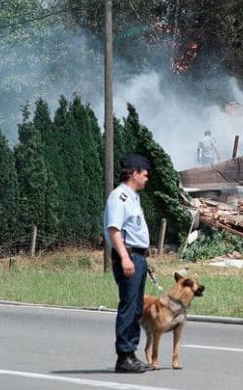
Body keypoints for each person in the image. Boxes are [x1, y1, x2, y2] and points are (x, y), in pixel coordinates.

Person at [104, 154, 153, 373]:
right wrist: (124, 257)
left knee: (136, 308)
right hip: (129, 257)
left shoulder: (132, 197)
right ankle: (124, 356)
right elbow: (114, 229)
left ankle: (131, 354)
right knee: (128, 305)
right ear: (134, 173)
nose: (146, 178)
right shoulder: (119, 197)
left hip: (138, 257)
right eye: (144, 174)